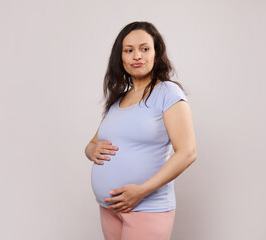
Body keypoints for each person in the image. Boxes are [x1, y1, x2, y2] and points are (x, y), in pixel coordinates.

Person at [84, 21, 197, 240]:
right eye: (129, 50)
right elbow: (91, 145)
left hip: (147, 207)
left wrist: (141, 191)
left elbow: (188, 152)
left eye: (144, 49)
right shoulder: (118, 100)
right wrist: (92, 150)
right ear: (121, 58)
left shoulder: (167, 93)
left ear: (156, 54)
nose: (137, 56)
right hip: (109, 209)